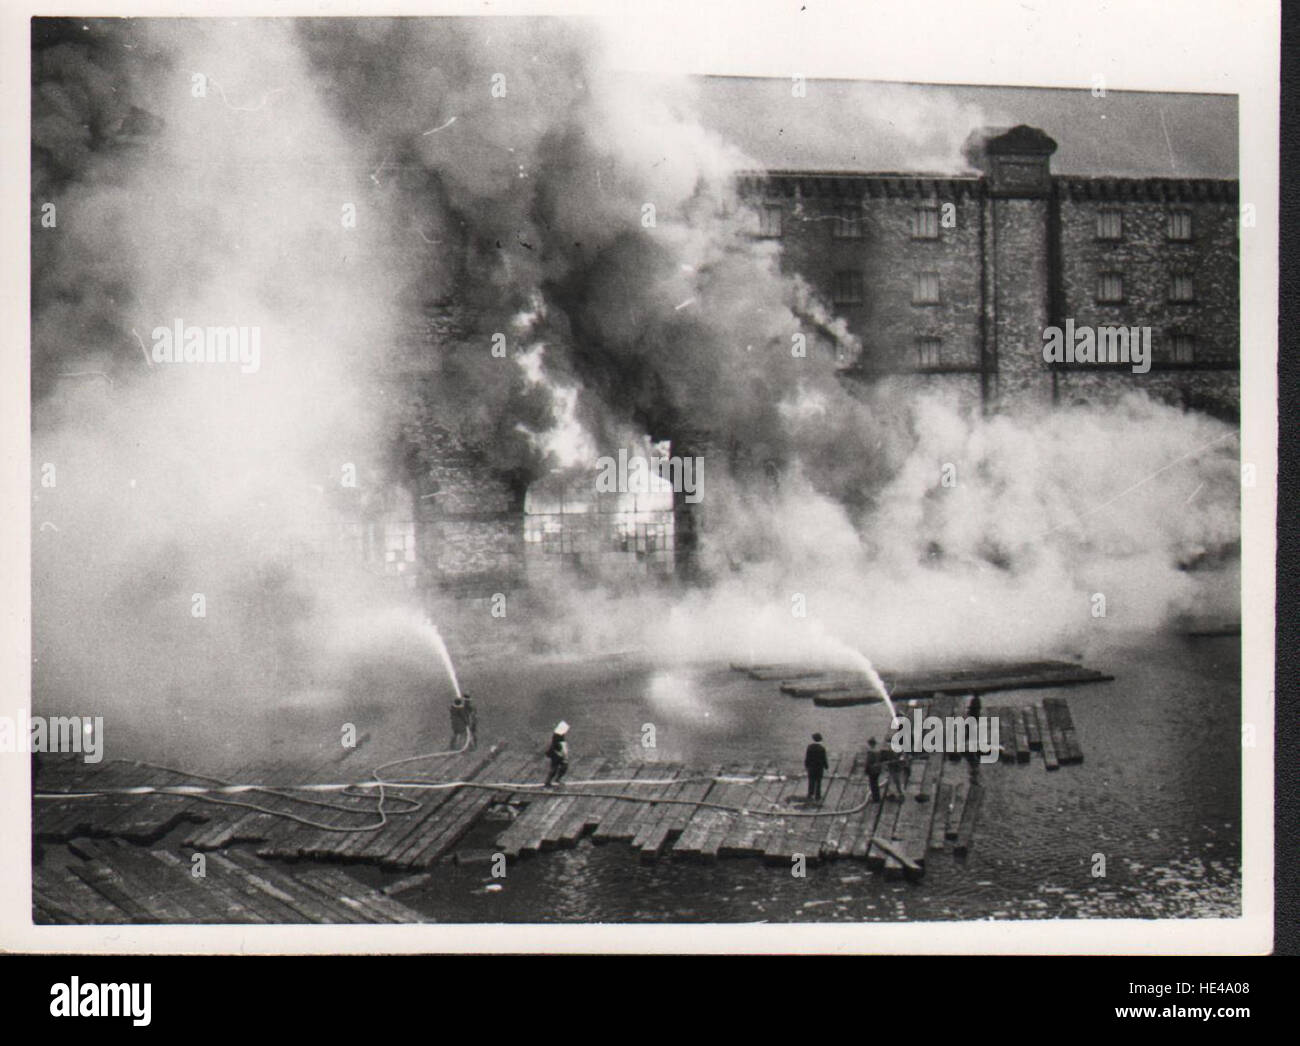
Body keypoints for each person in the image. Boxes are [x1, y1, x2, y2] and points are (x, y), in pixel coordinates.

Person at [804, 733, 829, 802]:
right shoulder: (822, 748)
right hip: (819, 768)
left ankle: (810, 794)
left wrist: (806, 765)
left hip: (811, 768)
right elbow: (824, 759)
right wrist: (826, 767)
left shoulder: (809, 747)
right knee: (818, 782)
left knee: (811, 781)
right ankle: (817, 796)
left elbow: (807, 758)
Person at [544, 721, 570, 787]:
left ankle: (555, 780)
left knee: (563, 767)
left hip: (558, 754)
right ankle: (548, 782)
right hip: (555, 754)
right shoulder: (557, 737)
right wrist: (564, 754)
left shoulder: (559, 735)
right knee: (554, 768)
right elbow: (560, 746)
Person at [864, 738, 883, 802]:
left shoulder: (870, 752)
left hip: (872, 770)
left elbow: (868, 762)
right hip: (878, 770)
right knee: (876, 784)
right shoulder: (878, 751)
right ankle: (877, 797)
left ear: (870, 744)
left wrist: (866, 770)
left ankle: (875, 799)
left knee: (873, 785)